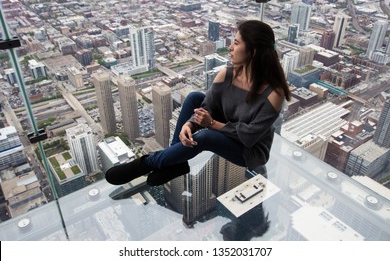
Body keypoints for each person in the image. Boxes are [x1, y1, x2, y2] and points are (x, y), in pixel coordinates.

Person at [105, 19, 291, 186]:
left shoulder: (274, 93)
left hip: (249, 150)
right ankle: (174, 164)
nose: (230, 48)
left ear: (254, 51)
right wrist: (189, 124)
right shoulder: (227, 74)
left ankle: (147, 163)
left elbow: (249, 136)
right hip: (228, 125)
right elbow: (207, 106)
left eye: (236, 43)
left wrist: (211, 124)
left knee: (205, 137)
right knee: (194, 97)